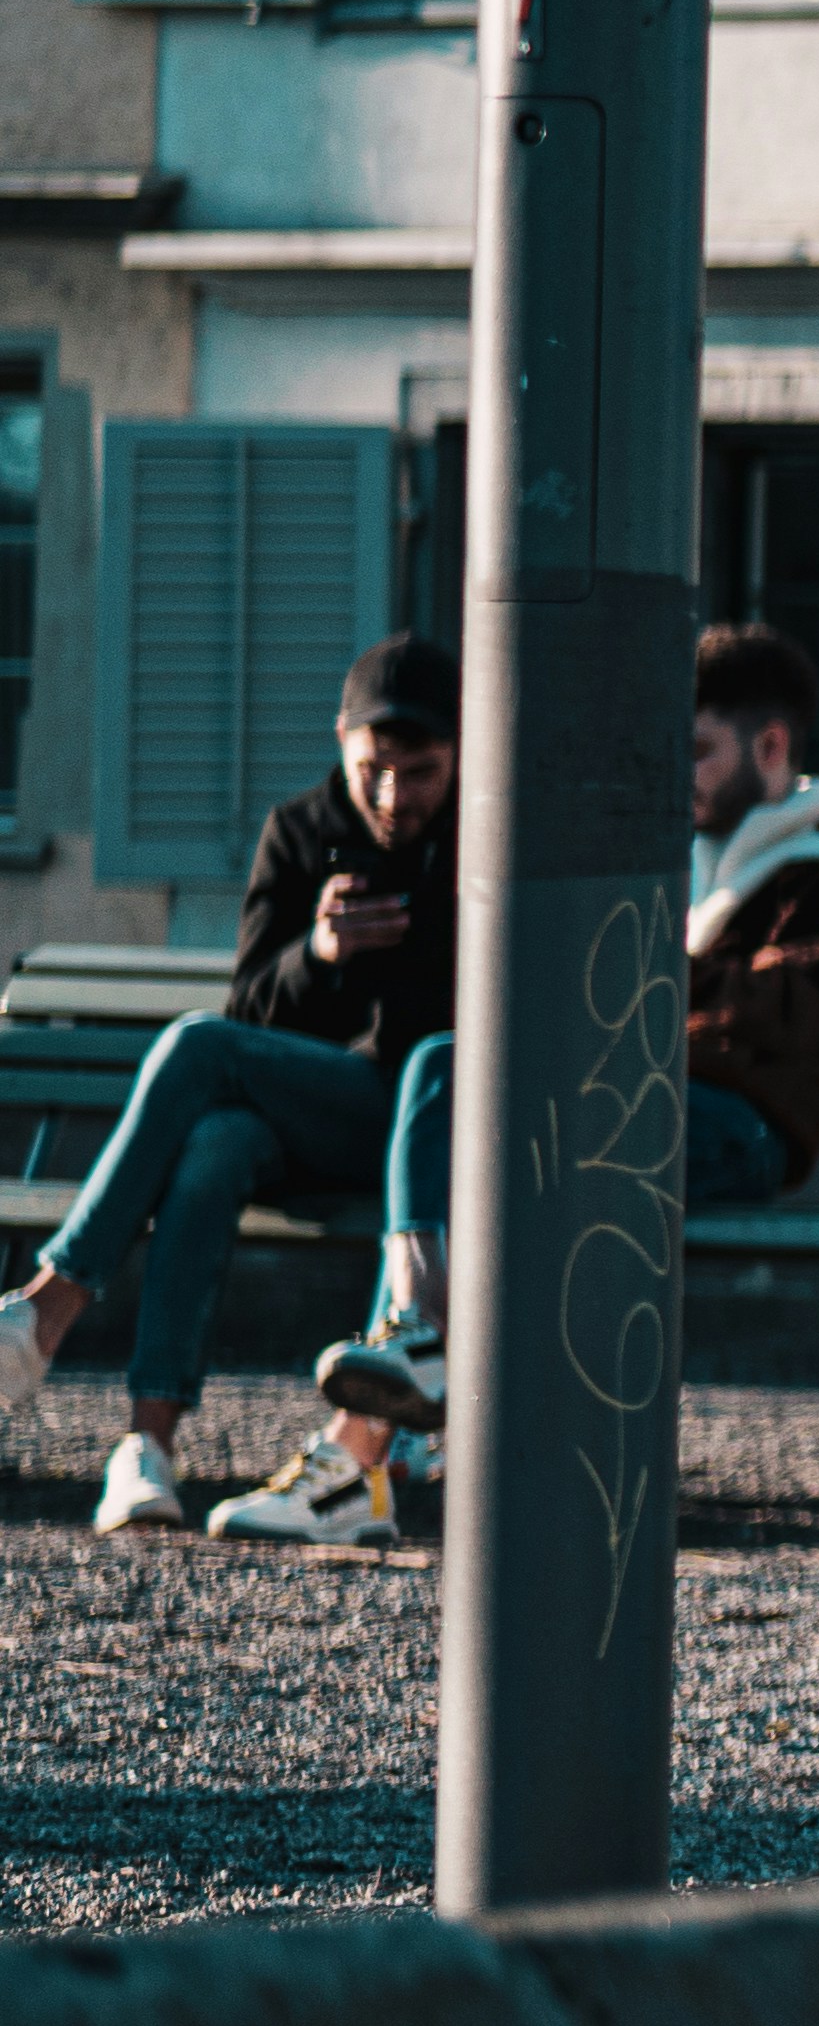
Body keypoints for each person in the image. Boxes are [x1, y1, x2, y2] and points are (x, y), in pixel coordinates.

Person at [210, 622, 819, 1552]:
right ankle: (403, 1375)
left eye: (697, 751)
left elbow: (777, 1029)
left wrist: (622, 991)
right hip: (639, 1107)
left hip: (741, 1131)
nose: (678, 774)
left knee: (480, 1099)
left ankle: (372, 1436)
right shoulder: (697, 868)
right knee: (447, 1068)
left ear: (772, 747)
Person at [0, 633, 460, 1531]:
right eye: (375, 769)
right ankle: (148, 1453)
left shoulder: (482, 847)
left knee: (195, 1048)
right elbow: (255, 1010)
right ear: (340, 740)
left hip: (422, 1132)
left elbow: (455, 1036)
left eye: (422, 771)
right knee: (213, 1143)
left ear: (460, 755)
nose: (395, 795)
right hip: (307, 1121)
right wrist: (321, 957)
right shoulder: (299, 834)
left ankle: (46, 1313)